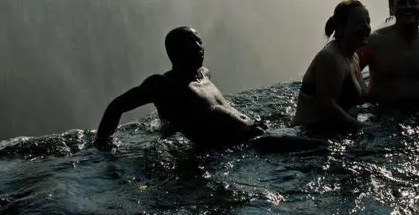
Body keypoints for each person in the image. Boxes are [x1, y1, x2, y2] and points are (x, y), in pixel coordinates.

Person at [95, 26, 325, 152]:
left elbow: (175, 113)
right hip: (244, 147)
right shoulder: (164, 84)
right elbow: (116, 107)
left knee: (323, 136)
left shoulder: (204, 74)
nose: (198, 48)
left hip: (256, 136)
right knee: (322, 149)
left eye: (199, 41)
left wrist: (168, 125)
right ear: (174, 53)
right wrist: (103, 148)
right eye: (190, 43)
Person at [294, 0, 371, 133]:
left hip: (333, 133)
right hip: (308, 136)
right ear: (341, 28)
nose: (366, 27)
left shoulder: (353, 56)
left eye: (368, 22)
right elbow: (327, 107)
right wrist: (364, 129)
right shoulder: (330, 57)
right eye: (359, 23)